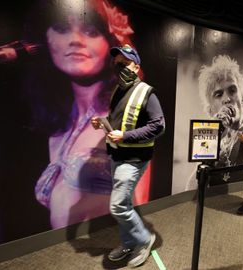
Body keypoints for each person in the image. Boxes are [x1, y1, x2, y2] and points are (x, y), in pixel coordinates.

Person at [30, 0, 150, 229]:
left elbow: (138, 204)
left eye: (91, 31)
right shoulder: (60, 130)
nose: (75, 40)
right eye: (62, 28)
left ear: (113, 45)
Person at [91, 44, 165, 267]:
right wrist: (102, 122)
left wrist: (125, 136)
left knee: (117, 206)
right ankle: (128, 242)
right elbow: (120, 120)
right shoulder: (119, 90)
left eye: (125, 63)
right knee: (123, 204)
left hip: (133, 160)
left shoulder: (146, 92)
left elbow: (158, 126)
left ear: (136, 66)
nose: (120, 67)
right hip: (117, 156)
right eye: (117, 64)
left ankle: (144, 239)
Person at [185, 55, 243, 189]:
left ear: (242, 98)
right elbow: (190, 189)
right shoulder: (216, 136)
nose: (227, 99)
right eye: (218, 94)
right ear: (211, 110)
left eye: (232, 90)